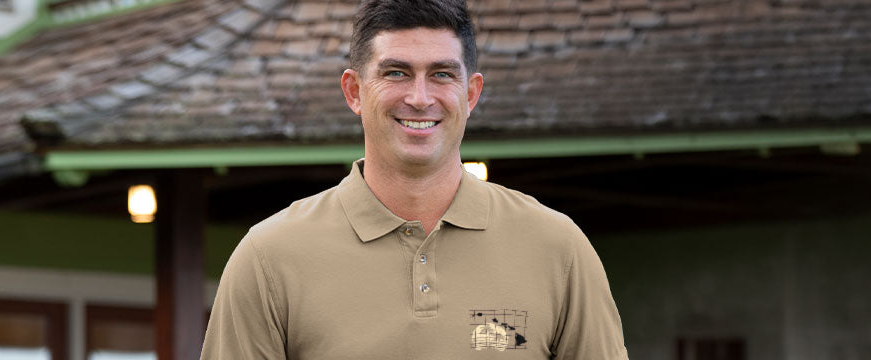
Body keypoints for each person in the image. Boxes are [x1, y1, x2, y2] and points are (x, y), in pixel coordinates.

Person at [199, 0, 627, 358]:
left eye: (441, 74)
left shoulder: (558, 247)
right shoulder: (268, 258)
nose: (420, 98)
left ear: (471, 94)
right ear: (354, 92)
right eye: (395, 73)